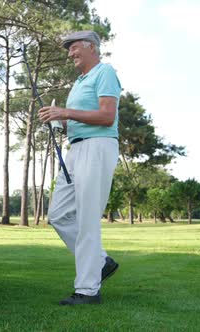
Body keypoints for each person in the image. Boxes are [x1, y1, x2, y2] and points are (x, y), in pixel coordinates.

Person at [38, 31, 121, 305]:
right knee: (59, 214)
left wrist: (65, 112)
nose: (70, 54)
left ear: (91, 48)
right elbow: (75, 119)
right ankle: (101, 261)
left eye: (74, 48)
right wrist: (56, 120)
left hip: (97, 146)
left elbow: (107, 116)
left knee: (86, 219)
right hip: (77, 148)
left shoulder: (104, 72)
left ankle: (87, 290)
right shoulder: (79, 82)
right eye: (69, 49)